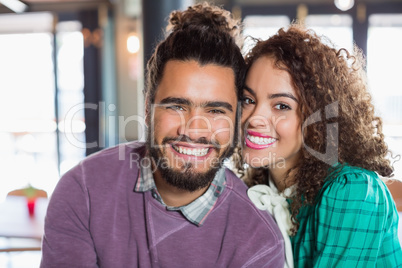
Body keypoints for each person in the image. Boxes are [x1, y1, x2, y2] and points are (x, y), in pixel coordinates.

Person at [40, 3, 285, 267]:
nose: (193, 130)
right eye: (177, 106)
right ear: (147, 109)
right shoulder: (83, 191)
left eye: (215, 111)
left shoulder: (259, 240)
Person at [236, 22, 402, 267]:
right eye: (248, 99)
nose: (253, 119)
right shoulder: (259, 191)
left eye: (281, 105)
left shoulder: (351, 190)